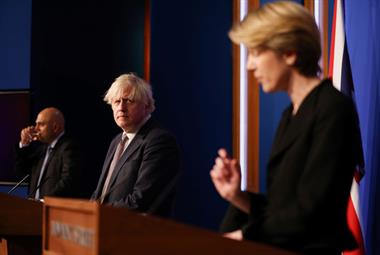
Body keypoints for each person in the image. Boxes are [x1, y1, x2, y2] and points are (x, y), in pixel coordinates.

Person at [210, 1, 362, 254]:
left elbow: (313, 214)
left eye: (257, 53)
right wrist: (238, 197)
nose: (249, 65)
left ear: (290, 52)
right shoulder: (290, 115)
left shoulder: (333, 110)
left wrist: (242, 235)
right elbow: (285, 211)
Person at [91, 73, 181, 217]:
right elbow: (101, 193)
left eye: (128, 101)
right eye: (116, 101)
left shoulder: (159, 141)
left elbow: (141, 199)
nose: (121, 107)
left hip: (134, 232)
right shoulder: (116, 141)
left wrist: (100, 213)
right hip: (104, 227)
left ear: (146, 105)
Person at [15, 107, 81, 199]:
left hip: (54, 209)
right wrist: (24, 144)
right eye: (36, 124)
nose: (36, 128)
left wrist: (45, 200)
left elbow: (68, 181)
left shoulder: (68, 147)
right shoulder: (41, 150)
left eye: (41, 124)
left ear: (55, 127)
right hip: (34, 208)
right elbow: (22, 171)